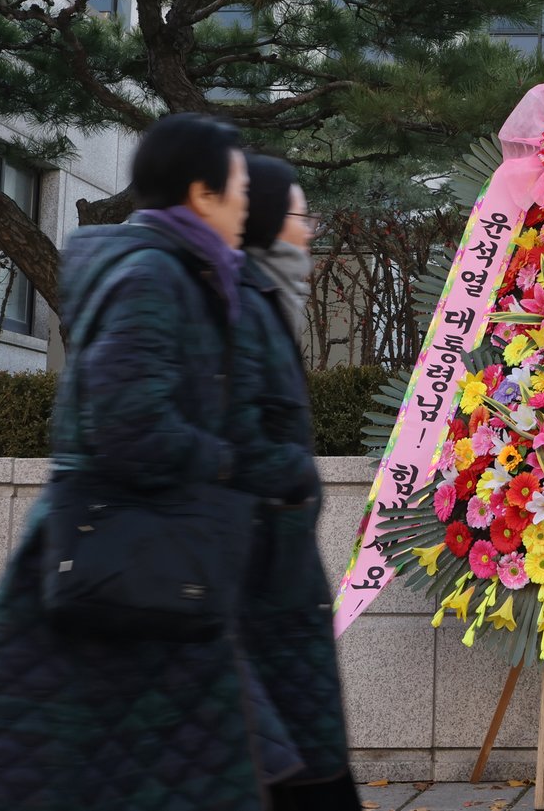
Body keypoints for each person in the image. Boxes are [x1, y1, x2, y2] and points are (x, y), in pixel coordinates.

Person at [0, 114, 273, 811]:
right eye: (240, 185)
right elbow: (127, 424)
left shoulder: (176, 270)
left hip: (149, 565)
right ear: (200, 192)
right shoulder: (154, 275)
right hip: (132, 566)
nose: (249, 200)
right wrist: (224, 459)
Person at [233, 154, 359, 811]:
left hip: (277, 593)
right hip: (257, 597)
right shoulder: (242, 306)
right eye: (300, 216)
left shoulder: (265, 302)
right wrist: (295, 481)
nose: (309, 232)